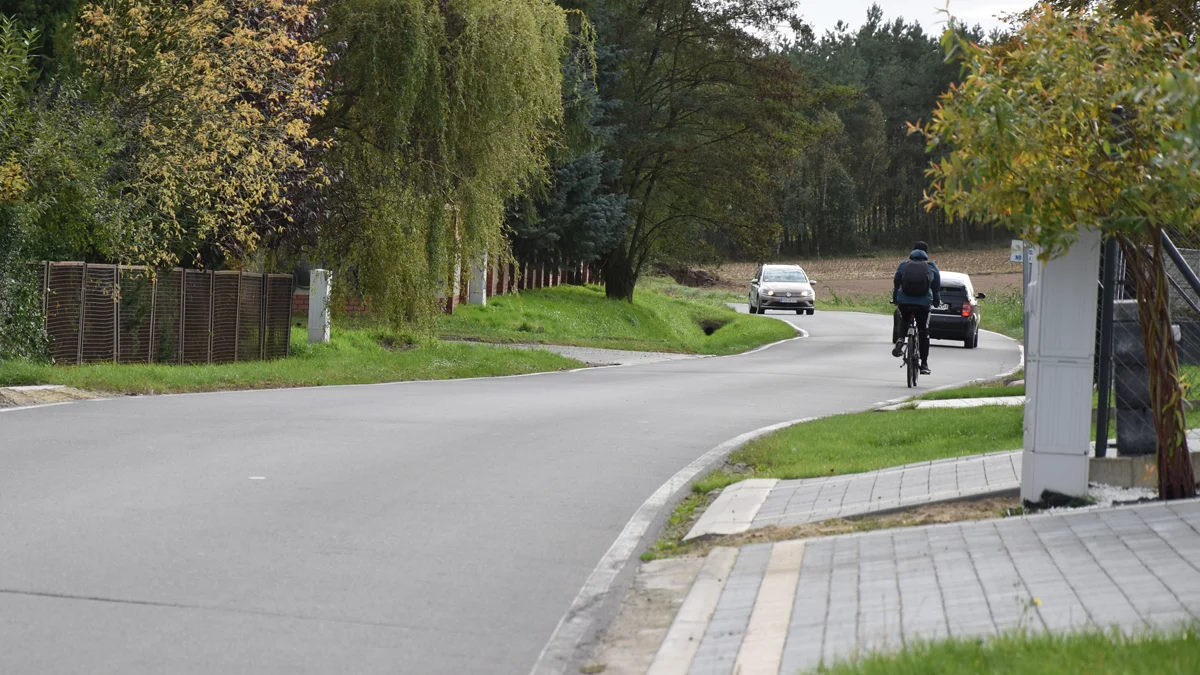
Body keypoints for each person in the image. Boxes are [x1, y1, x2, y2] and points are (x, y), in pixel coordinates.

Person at [891, 241, 941, 375]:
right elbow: (936, 288)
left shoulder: (904, 265)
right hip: (923, 304)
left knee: (904, 319)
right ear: (926, 253)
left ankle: (901, 338)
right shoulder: (931, 266)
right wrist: (936, 301)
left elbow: (896, 284)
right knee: (923, 330)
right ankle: (924, 364)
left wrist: (896, 298)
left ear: (912, 252)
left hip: (904, 302)